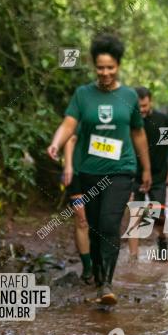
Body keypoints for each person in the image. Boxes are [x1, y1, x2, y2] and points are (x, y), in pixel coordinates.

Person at [47, 33, 151, 305]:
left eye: (110, 67)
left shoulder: (129, 96)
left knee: (109, 223)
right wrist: (56, 143)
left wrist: (146, 169)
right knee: (93, 227)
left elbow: (138, 134)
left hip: (121, 169)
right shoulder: (83, 94)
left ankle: (106, 283)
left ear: (118, 66)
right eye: (100, 67)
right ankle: (98, 276)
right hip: (89, 169)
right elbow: (69, 124)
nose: (105, 72)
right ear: (94, 67)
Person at [127, 87, 168, 261]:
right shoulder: (129, 120)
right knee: (134, 215)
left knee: (158, 214)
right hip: (134, 176)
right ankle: (133, 259)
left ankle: (162, 239)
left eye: (144, 105)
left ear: (150, 101)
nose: (141, 109)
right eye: (138, 106)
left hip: (158, 176)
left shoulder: (162, 120)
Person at [59, 130, 93, 283]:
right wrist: (68, 167)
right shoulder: (81, 112)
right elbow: (70, 139)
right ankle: (87, 267)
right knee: (81, 219)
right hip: (77, 174)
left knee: (100, 220)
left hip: (102, 172)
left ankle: (101, 264)